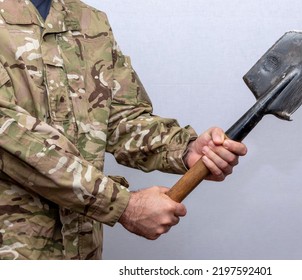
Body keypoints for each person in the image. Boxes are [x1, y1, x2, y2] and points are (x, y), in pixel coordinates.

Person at [0, 0, 247, 260]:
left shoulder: (88, 21)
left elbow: (120, 118)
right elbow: (12, 139)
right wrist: (124, 204)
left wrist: (184, 150)